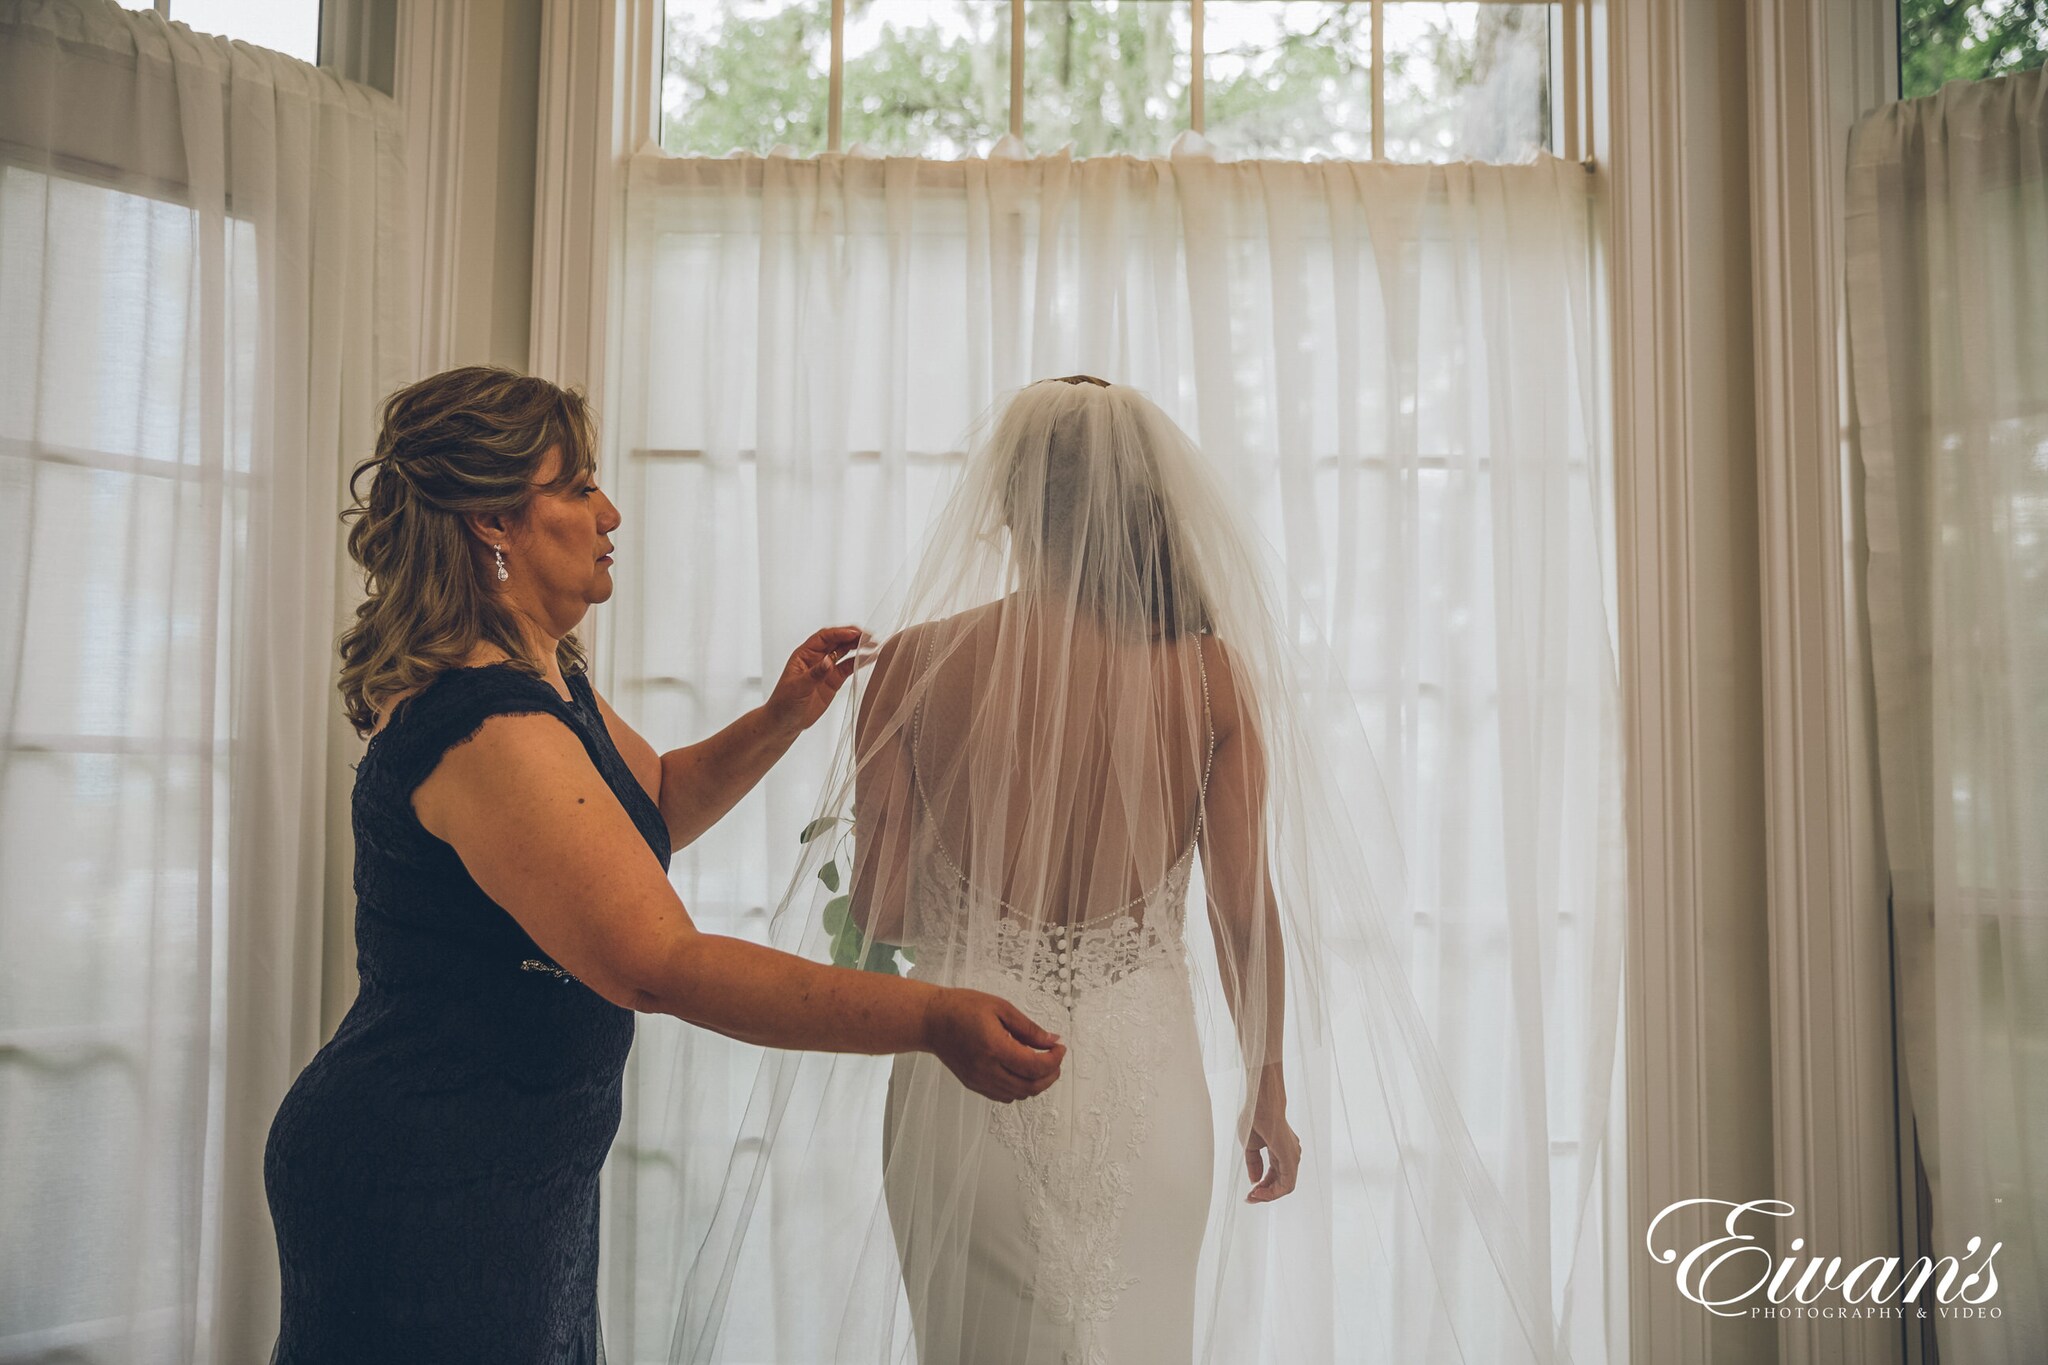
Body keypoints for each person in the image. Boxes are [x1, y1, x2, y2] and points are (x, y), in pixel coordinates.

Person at [672, 378, 1570, 1364]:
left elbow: (882, 909)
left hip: (968, 1079)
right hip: (1146, 1094)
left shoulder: (912, 666)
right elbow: (1243, 916)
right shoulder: (1207, 676)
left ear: (1006, 505)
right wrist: (1266, 1090)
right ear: (1145, 501)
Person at [261, 366, 1065, 1365]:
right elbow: (657, 963)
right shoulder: (489, 725)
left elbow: (652, 808)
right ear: (491, 522)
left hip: (517, 1161)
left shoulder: (546, 672)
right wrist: (931, 1017)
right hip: (431, 1170)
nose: (610, 511)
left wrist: (780, 718)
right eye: (577, 485)